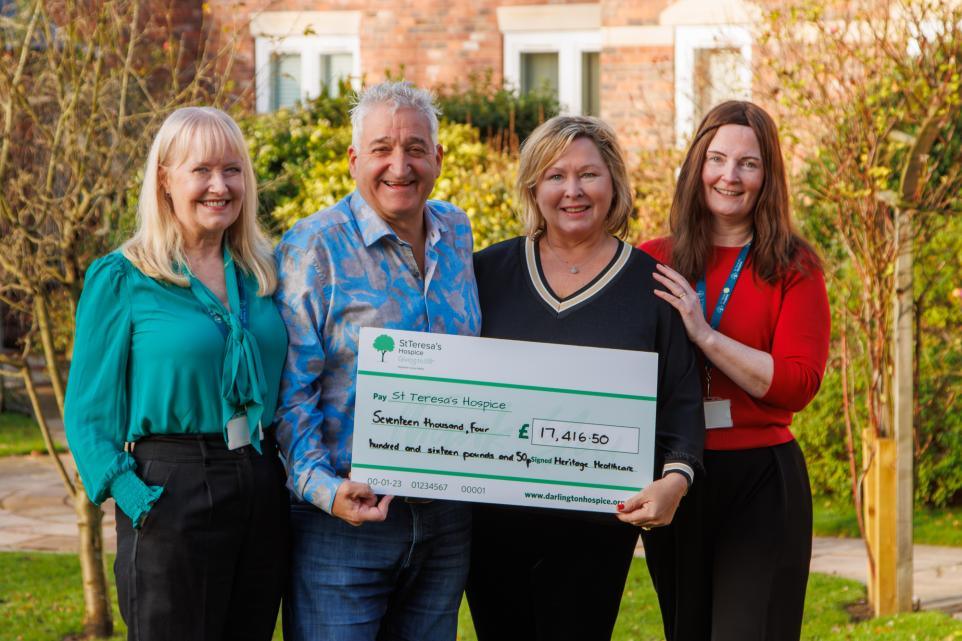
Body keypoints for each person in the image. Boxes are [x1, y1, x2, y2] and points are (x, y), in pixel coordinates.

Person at [465, 115, 704, 641]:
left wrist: (675, 481)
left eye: (588, 175)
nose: (572, 191)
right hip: (493, 523)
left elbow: (682, 401)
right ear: (533, 187)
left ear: (613, 183)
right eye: (555, 176)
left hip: (597, 526)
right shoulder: (485, 274)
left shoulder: (653, 287)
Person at [63, 107, 289, 641]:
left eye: (232, 170)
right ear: (165, 178)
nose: (220, 185)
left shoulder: (264, 274)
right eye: (202, 170)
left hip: (259, 478)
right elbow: (88, 412)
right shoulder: (123, 278)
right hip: (171, 484)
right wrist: (134, 495)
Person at [273, 81, 481, 641]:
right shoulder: (312, 247)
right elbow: (291, 392)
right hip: (344, 521)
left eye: (415, 148)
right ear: (353, 159)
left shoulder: (456, 232)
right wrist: (323, 489)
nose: (400, 165)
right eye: (382, 148)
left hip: (444, 520)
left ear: (438, 158)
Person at [639, 100, 831, 641]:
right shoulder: (654, 260)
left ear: (768, 176)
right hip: (677, 482)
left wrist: (704, 334)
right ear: (696, 165)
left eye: (748, 163)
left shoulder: (794, 267)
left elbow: (798, 382)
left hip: (761, 483)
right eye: (717, 158)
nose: (729, 176)